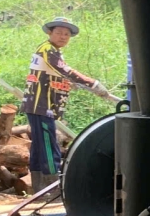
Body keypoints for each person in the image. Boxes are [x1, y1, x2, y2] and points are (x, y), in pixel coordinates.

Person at [21, 17, 109, 192]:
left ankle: (40, 188)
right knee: (48, 145)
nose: (63, 37)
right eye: (59, 33)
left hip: (40, 106)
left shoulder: (52, 51)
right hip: (41, 105)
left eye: (66, 34)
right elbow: (65, 70)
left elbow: (55, 74)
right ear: (50, 33)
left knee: (39, 146)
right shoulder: (48, 49)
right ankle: (52, 188)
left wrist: (70, 83)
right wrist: (92, 83)